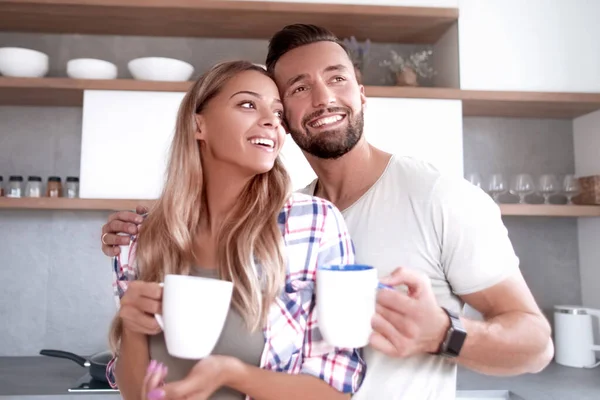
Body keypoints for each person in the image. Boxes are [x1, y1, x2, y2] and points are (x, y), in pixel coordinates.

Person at [101, 25, 554, 400]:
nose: (322, 98)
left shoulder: (438, 197)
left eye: (337, 78)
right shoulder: (290, 216)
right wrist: (144, 239)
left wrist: (444, 335)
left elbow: (536, 346)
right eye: (298, 88)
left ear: (361, 90)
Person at [105, 60, 365, 400]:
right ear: (199, 125)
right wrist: (134, 328)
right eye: (247, 104)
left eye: (278, 113)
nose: (272, 121)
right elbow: (134, 392)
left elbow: (338, 388)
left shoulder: (313, 224)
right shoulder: (139, 239)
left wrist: (235, 375)